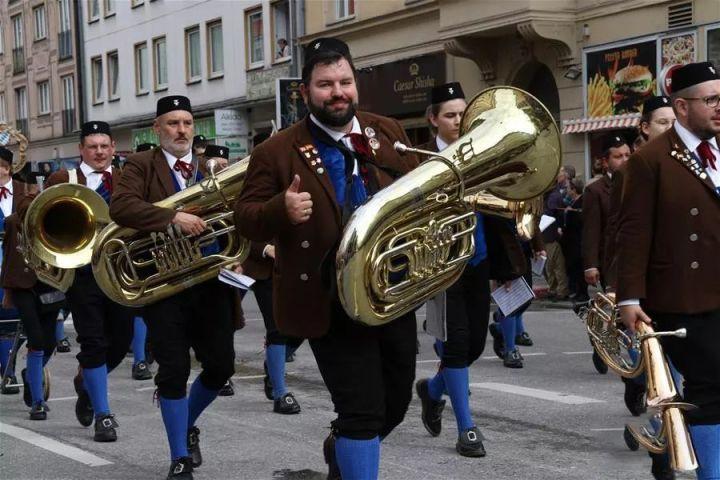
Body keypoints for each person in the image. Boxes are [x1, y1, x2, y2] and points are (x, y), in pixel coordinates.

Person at [235, 37, 419, 480]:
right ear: (305, 92)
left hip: (389, 293)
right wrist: (281, 209)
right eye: (325, 84)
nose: (338, 92)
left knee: (393, 404)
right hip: (325, 298)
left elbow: (419, 193)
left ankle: (342, 450)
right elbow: (244, 218)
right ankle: (352, 445)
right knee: (361, 411)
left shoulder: (387, 131)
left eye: (345, 82)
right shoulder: (275, 151)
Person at [110, 96, 237, 479]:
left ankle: (186, 423)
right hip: (164, 287)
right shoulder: (140, 164)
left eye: (186, 123)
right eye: (172, 123)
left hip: (210, 283)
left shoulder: (209, 166)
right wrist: (171, 217)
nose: (181, 130)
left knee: (220, 366)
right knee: (174, 369)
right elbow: (121, 206)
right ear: (157, 127)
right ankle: (179, 456)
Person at [617, 62, 720, 480]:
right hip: (682, 296)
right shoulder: (650, 161)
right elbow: (633, 233)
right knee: (711, 388)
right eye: (711, 100)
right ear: (681, 107)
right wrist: (628, 298)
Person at [21, 122, 135, 440]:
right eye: (92, 146)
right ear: (81, 150)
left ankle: (85, 383)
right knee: (94, 341)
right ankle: (103, 414)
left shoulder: (126, 180)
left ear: (113, 147)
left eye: (104, 146)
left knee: (122, 340)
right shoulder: (64, 179)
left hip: (121, 271)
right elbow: (34, 210)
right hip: (83, 276)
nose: (99, 151)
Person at [0, 147, 62, 419]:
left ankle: (29, 374)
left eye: (2, 165)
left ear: (9, 168)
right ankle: (37, 400)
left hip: (48, 277)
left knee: (47, 341)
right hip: (19, 276)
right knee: (33, 336)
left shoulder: (26, 190)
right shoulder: (22, 208)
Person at [542, 166, 572, 301]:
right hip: (549, 234)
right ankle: (555, 289)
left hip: (551, 234)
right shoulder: (552, 195)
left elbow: (551, 214)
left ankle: (560, 290)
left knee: (555, 265)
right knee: (552, 265)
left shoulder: (553, 196)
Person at [560, 178, 587, 302]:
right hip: (571, 241)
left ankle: (582, 292)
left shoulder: (581, 202)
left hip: (577, 240)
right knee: (574, 268)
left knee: (579, 268)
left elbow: (580, 221)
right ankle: (577, 291)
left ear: (574, 189)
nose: (567, 191)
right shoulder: (573, 202)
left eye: (569, 189)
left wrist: (571, 213)